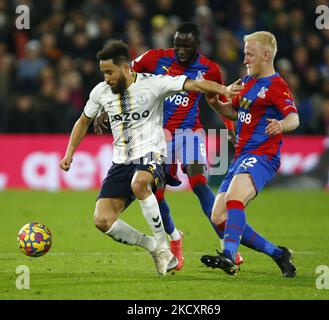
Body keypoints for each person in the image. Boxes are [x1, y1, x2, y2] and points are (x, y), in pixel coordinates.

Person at [59, 39, 239, 276]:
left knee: (140, 183)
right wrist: (69, 153)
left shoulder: (153, 84)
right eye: (103, 73)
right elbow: (83, 121)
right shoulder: (100, 92)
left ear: (125, 68)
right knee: (102, 221)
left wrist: (223, 89)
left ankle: (165, 249)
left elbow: (195, 84)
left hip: (153, 153)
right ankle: (153, 247)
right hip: (121, 161)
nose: (106, 78)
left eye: (110, 72)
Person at [200, 31, 299, 277]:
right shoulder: (246, 82)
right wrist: (214, 103)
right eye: (245, 54)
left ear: (266, 56)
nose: (245, 59)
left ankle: (229, 255)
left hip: (263, 155)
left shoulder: (276, 86)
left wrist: (280, 125)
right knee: (218, 216)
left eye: (249, 54)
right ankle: (278, 254)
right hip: (241, 156)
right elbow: (233, 112)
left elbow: (294, 118)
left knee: (235, 197)